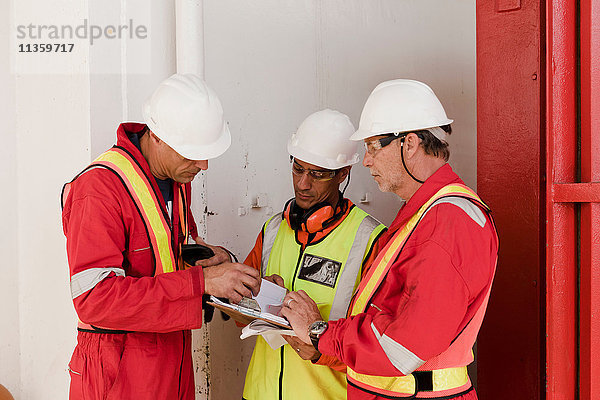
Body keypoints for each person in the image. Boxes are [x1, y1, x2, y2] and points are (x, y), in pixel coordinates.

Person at [282, 80, 499, 399]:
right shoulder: (424, 215)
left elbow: (402, 347)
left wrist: (320, 332)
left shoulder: (447, 223)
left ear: (408, 144)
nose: (366, 161)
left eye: (372, 147)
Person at [61, 74, 261, 400]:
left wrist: (208, 258)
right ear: (156, 137)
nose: (203, 164)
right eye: (191, 153)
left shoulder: (176, 179)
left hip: (171, 359)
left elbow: (165, 254)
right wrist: (202, 283)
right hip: (119, 374)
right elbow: (94, 300)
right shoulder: (99, 190)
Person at [242, 109, 386, 400]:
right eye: (298, 169)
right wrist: (253, 294)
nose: (303, 184)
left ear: (343, 173)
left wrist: (320, 348)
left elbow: (380, 347)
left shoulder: (371, 240)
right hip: (260, 393)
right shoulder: (272, 229)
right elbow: (239, 313)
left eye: (317, 174)